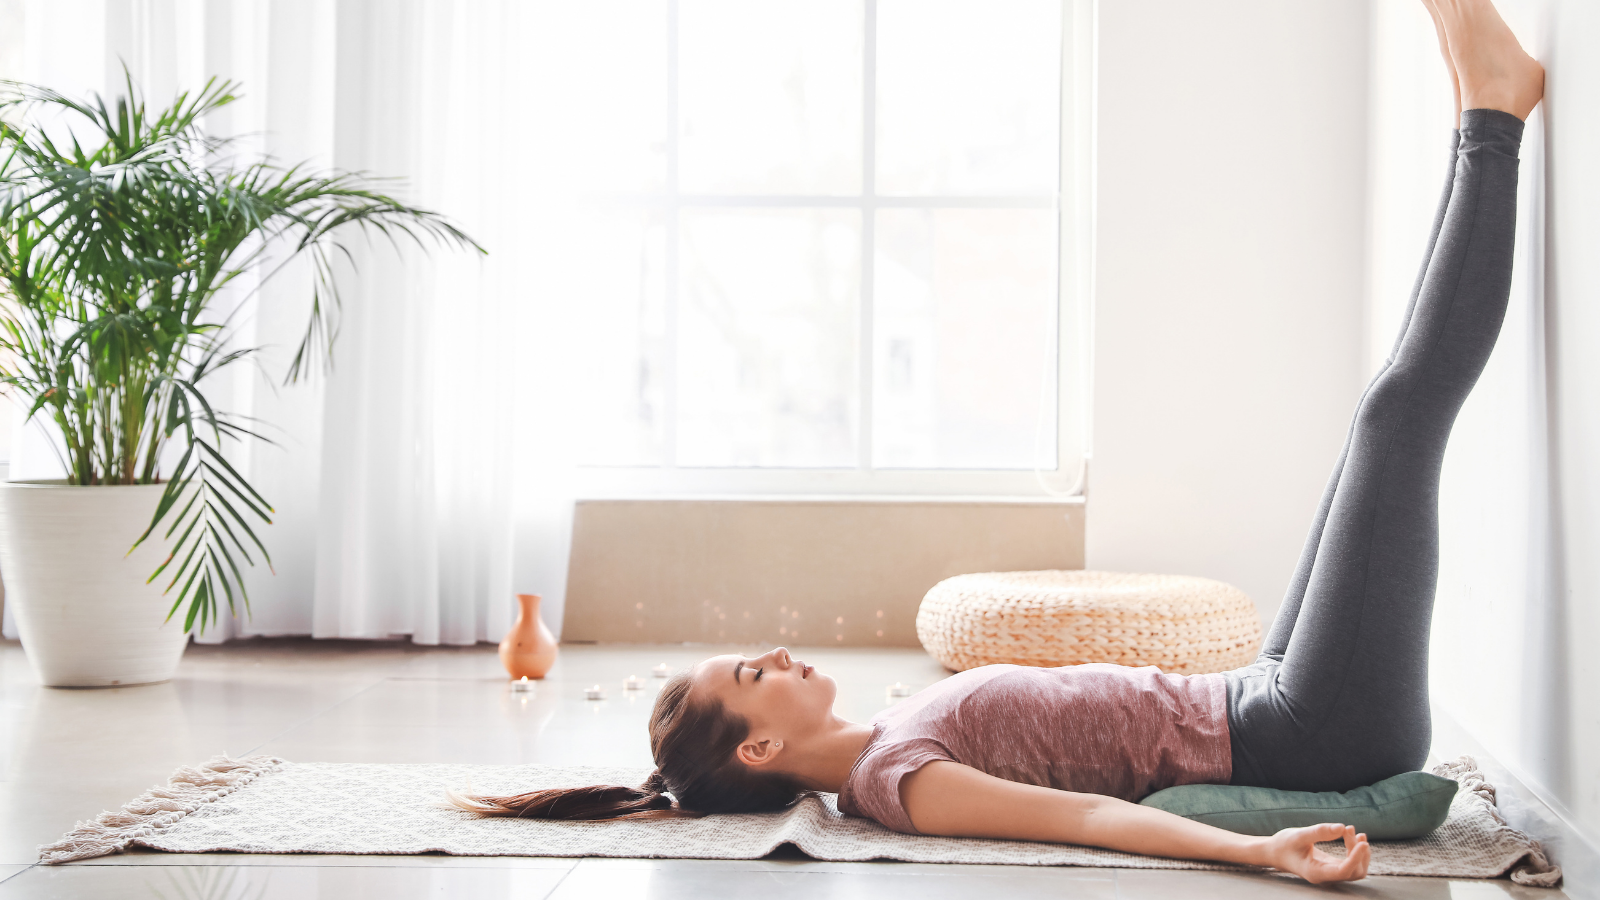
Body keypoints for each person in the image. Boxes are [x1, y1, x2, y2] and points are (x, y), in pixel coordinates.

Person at [449, 0, 1544, 884]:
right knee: (1397, 417)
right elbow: (1084, 821)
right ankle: (1492, 114)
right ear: (760, 749)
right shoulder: (899, 782)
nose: (776, 653)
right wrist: (1260, 851)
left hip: (1260, 694)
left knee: (1370, 423)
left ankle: (1478, 110)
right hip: (1307, 731)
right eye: (752, 673)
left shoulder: (892, 731)